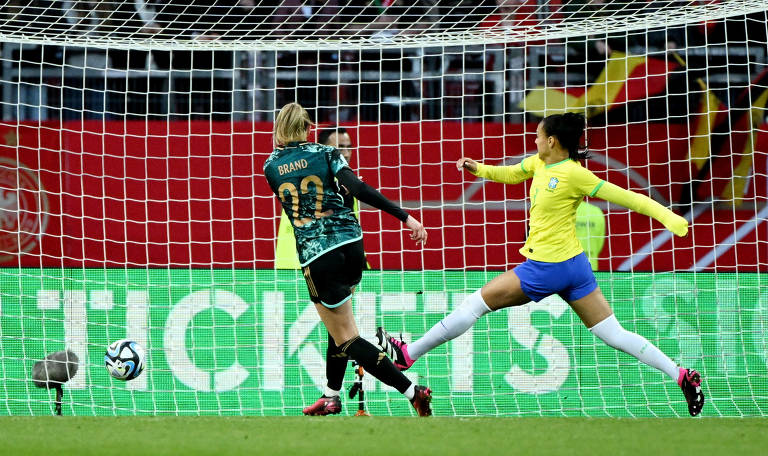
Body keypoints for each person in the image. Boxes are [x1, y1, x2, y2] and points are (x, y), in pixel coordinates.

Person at [377, 112, 705, 417]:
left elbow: (627, 197)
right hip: (574, 267)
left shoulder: (576, 174)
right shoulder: (538, 163)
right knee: (613, 333)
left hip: (545, 269)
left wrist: (666, 215)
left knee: (473, 305)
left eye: (538, 136)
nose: (534, 140)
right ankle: (679, 375)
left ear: (552, 141)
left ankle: (408, 355)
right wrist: (480, 169)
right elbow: (510, 174)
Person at [264, 103, 433, 416]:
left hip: (318, 254)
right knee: (337, 324)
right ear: (307, 126)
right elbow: (356, 187)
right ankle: (331, 395)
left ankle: (412, 391)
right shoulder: (326, 153)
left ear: (279, 127)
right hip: (353, 246)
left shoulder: (271, 166)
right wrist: (405, 217)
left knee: (346, 337)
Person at [275, 126, 360, 268]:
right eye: (339, 147)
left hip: (321, 265)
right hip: (299, 265)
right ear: (323, 150)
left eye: (348, 147)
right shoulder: (311, 183)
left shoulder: (344, 186)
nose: (345, 154)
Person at [575, 200, 605, 271]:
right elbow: (599, 243)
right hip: (590, 267)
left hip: (563, 267)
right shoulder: (596, 211)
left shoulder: (557, 211)